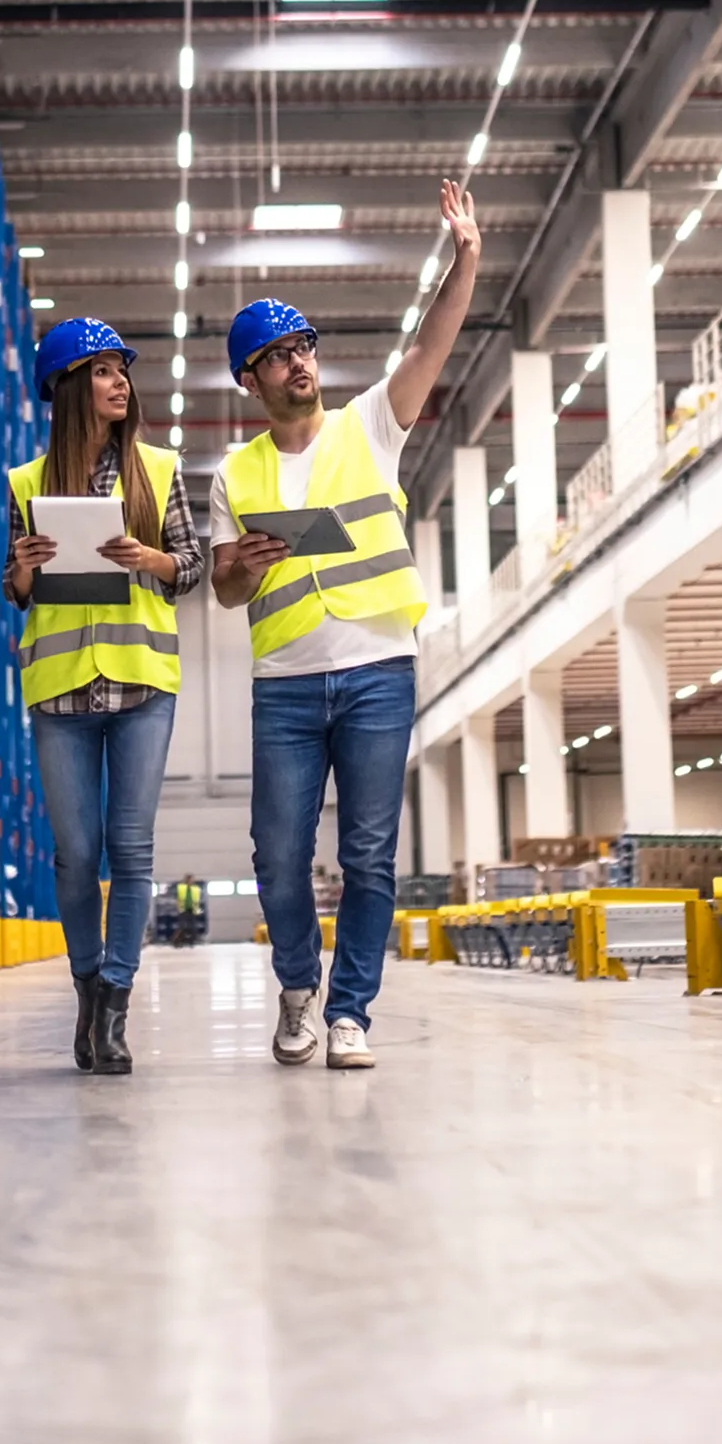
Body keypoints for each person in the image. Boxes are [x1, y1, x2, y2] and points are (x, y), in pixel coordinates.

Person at [209, 176, 484, 1070]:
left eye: (305, 348)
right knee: (278, 854)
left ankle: (349, 1013)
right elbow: (221, 589)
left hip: (377, 671)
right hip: (285, 685)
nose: (300, 362)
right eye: (280, 355)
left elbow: (431, 344)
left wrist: (465, 257)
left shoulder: (371, 425)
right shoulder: (233, 474)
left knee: (369, 856)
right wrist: (238, 568)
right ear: (251, 377)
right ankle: (297, 984)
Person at [4, 317, 203, 1076]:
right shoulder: (27, 482)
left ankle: (115, 1004)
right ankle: (86, 989)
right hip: (60, 690)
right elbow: (16, 591)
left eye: (123, 370)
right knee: (75, 853)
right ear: (66, 389)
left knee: (131, 849)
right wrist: (22, 566)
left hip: (142, 682)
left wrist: (148, 556)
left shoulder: (159, 467)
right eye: (103, 371)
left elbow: (190, 568)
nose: (121, 382)